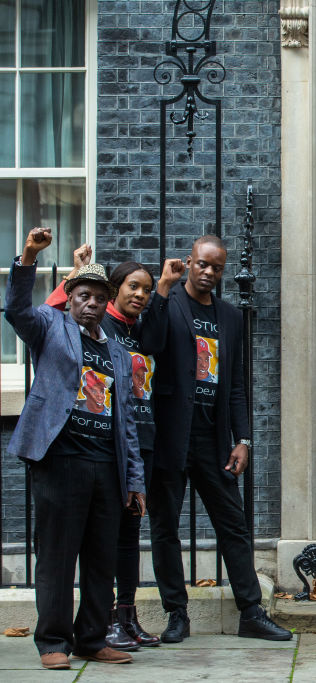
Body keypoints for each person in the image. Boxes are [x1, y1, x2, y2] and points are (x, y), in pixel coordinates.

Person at [5, 227, 146, 670]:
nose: (90, 303)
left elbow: (127, 423)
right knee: (58, 556)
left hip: (106, 465)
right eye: (82, 295)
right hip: (60, 460)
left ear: (107, 303)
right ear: (69, 297)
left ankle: (91, 638)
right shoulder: (51, 327)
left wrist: (135, 479)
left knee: (102, 558)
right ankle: (52, 643)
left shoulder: (119, 355)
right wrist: (29, 255)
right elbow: (14, 310)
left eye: (98, 297)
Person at [143, 235, 291, 643]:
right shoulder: (168, 303)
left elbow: (238, 384)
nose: (209, 272)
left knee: (233, 525)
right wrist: (161, 287)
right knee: (165, 528)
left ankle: (251, 612)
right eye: (202, 264)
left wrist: (243, 438)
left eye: (217, 267)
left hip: (213, 437)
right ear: (189, 262)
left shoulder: (229, 316)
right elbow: (147, 343)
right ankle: (177, 614)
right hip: (171, 435)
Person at [45, 246, 186, 650]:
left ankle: (127, 616)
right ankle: (104, 619)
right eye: (132, 287)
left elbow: (158, 340)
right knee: (103, 537)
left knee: (128, 536)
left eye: (144, 289)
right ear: (113, 290)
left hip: (141, 441)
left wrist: (162, 289)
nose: (139, 295)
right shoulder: (96, 326)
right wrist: (74, 274)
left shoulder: (136, 331)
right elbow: (51, 318)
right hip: (100, 444)